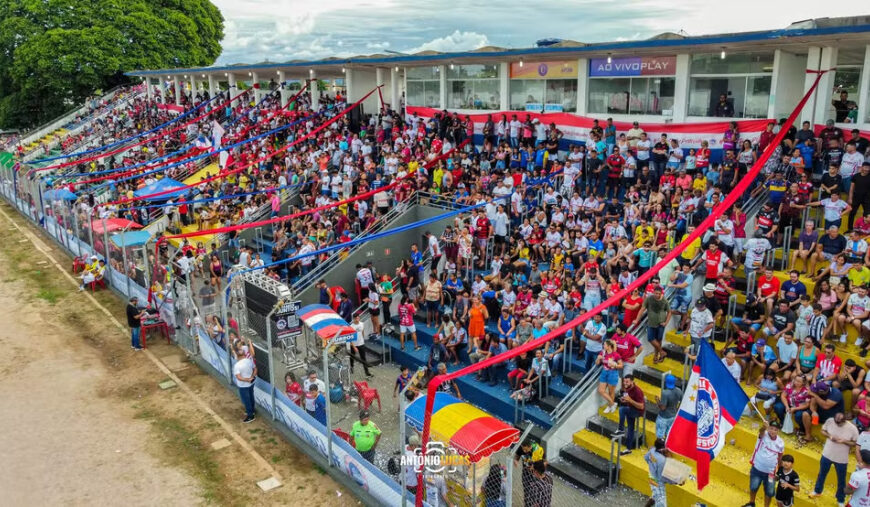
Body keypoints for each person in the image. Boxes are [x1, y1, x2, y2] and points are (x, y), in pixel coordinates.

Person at [810, 412, 858, 505]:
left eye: (839, 423)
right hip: (827, 454)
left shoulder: (852, 429)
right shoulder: (830, 421)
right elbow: (823, 430)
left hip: (841, 459)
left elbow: (855, 443)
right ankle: (817, 491)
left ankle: (840, 499)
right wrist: (830, 436)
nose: (837, 424)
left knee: (841, 480)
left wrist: (844, 441)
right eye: (836, 422)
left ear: (844, 420)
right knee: (821, 474)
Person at [745, 419, 783, 507]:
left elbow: (780, 457)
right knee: (753, 487)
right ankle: (751, 503)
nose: (773, 431)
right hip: (757, 469)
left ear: (778, 431)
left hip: (771, 473)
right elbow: (761, 431)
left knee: (769, 492)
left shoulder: (781, 442)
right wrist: (763, 427)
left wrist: (779, 471)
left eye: (775, 429)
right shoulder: (763, 434)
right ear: (768, 428)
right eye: (771, 428)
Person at [644, 438, 685, 507]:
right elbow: (664, 477)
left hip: (652, 476)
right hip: (658, 481)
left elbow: (646, 457)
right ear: (662, 449)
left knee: (656, 495)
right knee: (661, 503)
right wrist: (677, 481)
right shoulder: (662, 461)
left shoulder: (652, 450)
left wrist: (653, 466)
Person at [614, 374, 645, 455]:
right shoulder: (627, 388)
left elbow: (641, 406)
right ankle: (628, 449)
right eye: (624, 381)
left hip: (638, 411)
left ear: (632, 381)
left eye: (627, 382)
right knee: (630, 428)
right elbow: (628, 399)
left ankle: (621, 429)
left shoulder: (637, 391)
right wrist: (625, 400)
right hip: (630, 408)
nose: (625, 383)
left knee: (622, 409)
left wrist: (630, 400)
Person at [233, 341, 257, 423]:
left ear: (236, 356)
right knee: (251, 397)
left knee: (246, 400)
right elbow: (255, 369)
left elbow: (238, 377)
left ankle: (250, 415)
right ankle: (252, 410)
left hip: (243, 385)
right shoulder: (248, 360)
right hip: (251, 383)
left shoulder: (237, 365)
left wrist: (247, 379)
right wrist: (252, 377)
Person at [655, 374, 682, 439]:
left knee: (660, 436)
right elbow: (681, 402)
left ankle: (659, 448)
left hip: (664, 417)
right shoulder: (679, 390)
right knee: (668, 436)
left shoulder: (665, 393)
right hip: (673, 416)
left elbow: (663, 407)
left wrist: (658, 401)